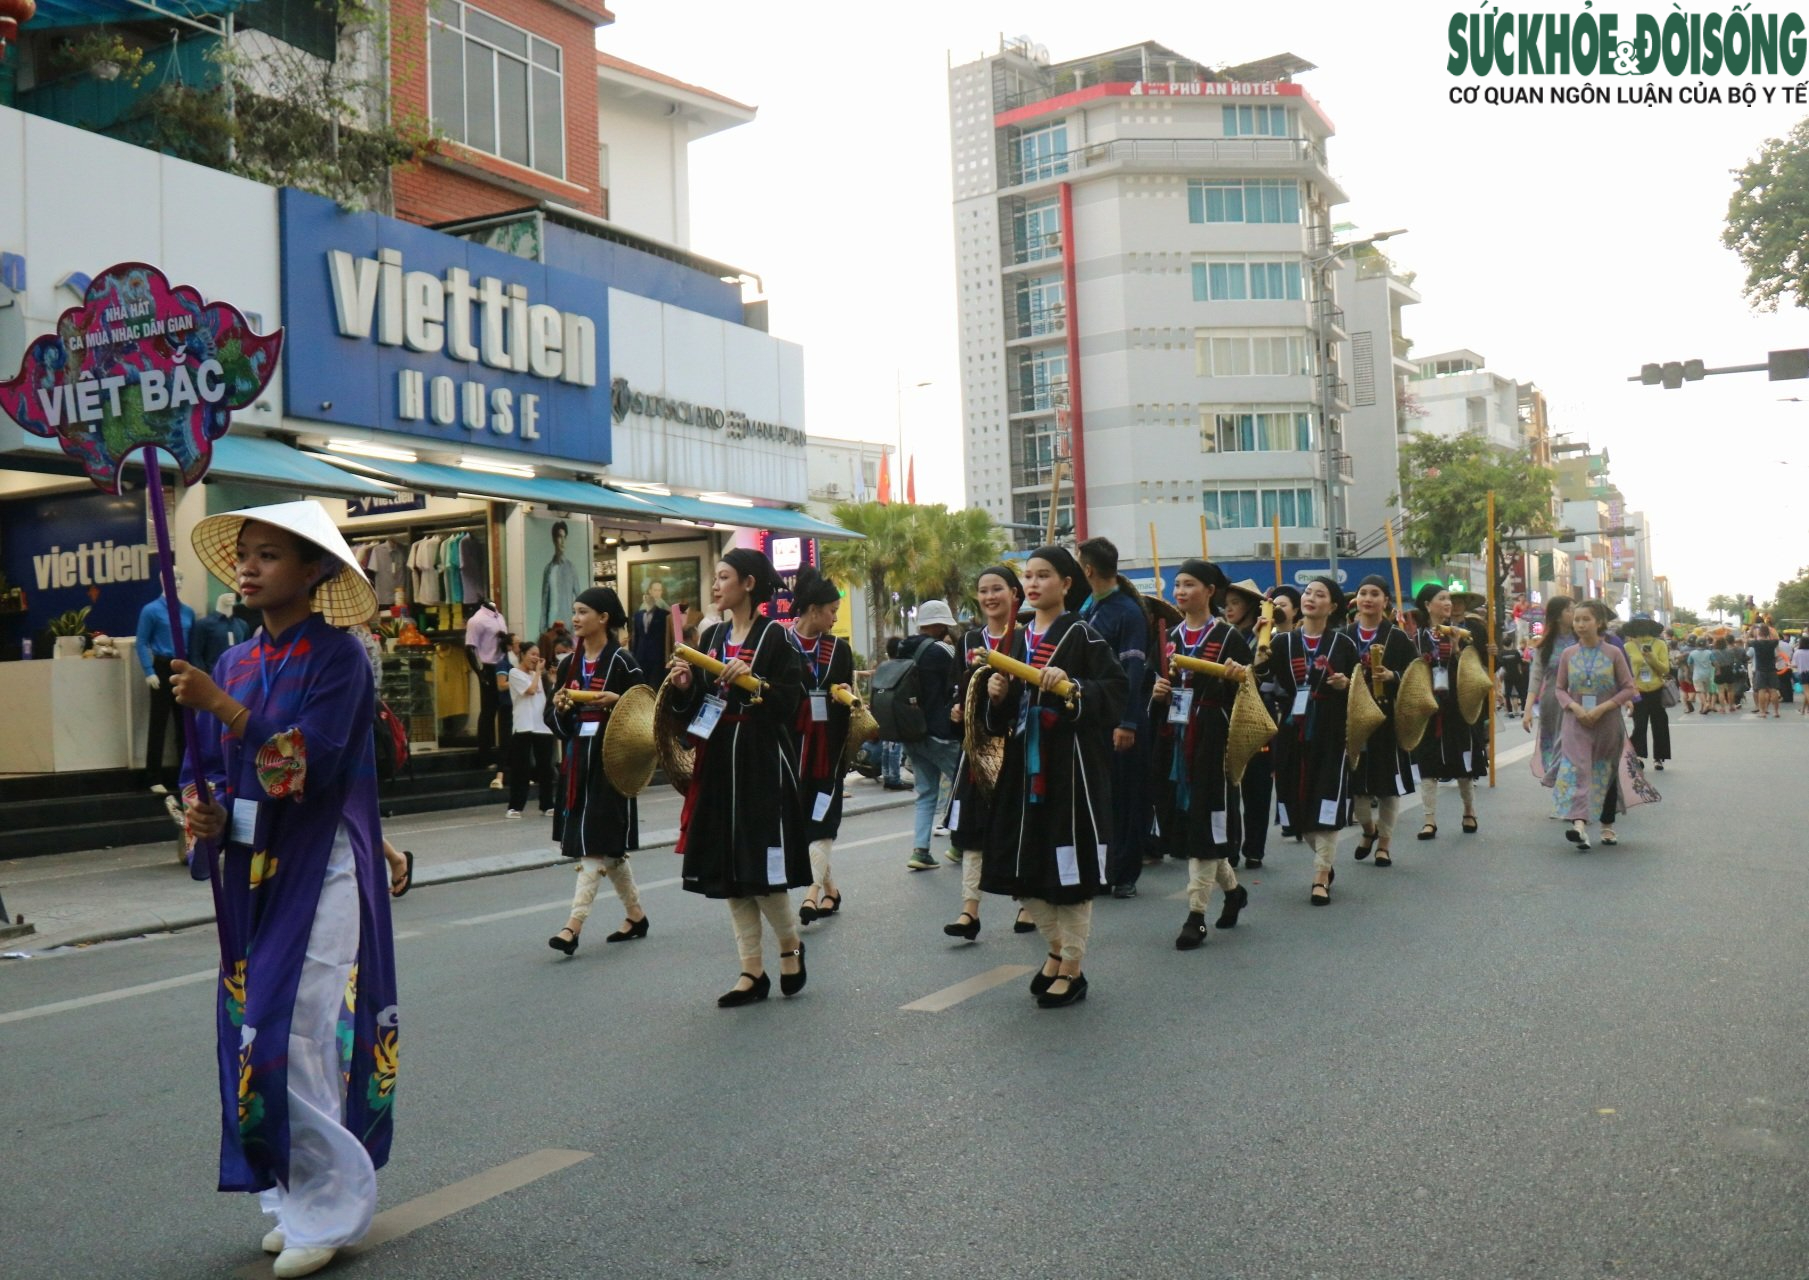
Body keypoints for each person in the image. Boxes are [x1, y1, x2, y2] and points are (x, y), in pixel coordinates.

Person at [169, 501, 397, 1279]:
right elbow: (210, 771)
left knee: (296, 1029)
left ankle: (324, 1206)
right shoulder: (229, 662)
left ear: (314, 572)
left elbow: (310, 767)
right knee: (252, 1034)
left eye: (270, 555)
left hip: (323, 862)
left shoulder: (341, 660)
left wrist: (223, 710)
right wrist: (199, 809)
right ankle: (295, 1197)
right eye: (245, 553)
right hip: (249, 870)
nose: (250, 566)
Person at [978, 545, 1126, 1007]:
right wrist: (997, 694)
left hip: (1070, 767)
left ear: (1067, 583)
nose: (1035, 583)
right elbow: (996, 718)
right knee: (1021, 867)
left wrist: (1074, 687)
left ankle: (1073, 968)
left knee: (1069, 867)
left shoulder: (1084, 634)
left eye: (1045, 575)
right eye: (1029, 576)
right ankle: (1057, 949)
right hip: (1023, 767)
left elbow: (1117, 690)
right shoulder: (1014, 640)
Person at [666, 550, 810, 1007]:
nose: (715, 584)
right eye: (715, 577)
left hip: (760, 762)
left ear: (748, 583)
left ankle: (790, 946)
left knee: (761, 869)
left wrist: (756, 683)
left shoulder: (778, 639)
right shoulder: (713, 638)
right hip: (718, 762)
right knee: (729, 870)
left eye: (723, 577)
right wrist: (688, 686)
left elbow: (793, 704)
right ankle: (751, 970)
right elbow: (703, 706)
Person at [1148, 559, 1252, 949]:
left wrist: (1237, 679)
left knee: (1207, 819)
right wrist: (1157, 693)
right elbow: (1161, 688)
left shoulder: (1228, 638)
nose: (1180, 592)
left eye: (1189, 584)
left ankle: (1195, 915)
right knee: (1194, 828)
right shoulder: (1168, 636)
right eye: (1177, 585)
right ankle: (1234, 891)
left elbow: (1249, 697)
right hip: (1176, 738)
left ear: (1211, 591)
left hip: (1211, 739)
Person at [544, 589, 646, 957]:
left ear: (603, 618)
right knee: (607, 846)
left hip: (611, 763)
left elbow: (645, 709)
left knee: (593, 845)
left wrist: (617, 702)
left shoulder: (623, 662)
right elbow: (553, 718)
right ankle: (636, 915)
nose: (575, 618)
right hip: (577, 762)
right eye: (574, 611)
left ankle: (573, 926)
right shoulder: (570, 663)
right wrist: (561, 706)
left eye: (583, 612)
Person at [942, 564, 1030, 941]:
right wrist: (957, 709)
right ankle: (969, 910)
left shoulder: (1028, 639)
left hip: (1015, 745)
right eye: (983, 590)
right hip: (976, 746)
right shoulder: (969, 639)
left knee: (1019, 824)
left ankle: (1027, 901)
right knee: (973, 829)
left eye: (998, 589)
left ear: (1015, 594)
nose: (990, 597)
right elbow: (958, 687)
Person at [1270, 577, 1359, 904]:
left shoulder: (1345, 645)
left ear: (1332, 606)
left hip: (1330, 730)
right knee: (1297, 803)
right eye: (1307, 592)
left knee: (1327, 798)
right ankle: (1324, 859)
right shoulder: (1281, 643)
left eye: (1319, 594)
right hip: (1292, 731)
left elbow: (1358, 692)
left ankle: (1320, 875)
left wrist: (1344, 683)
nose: (1310, 598)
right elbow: (1263, 681)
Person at [1075, 537, 1155, 898]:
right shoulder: (1085, 608)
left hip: (1121, 721)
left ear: (1088, 569)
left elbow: (1134, 672)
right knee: (1100, 797)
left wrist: (1128, 722)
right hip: (1090, 721)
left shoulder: (1127, 611)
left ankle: (1125, 872)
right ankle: (1101, 868)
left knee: (1126, 798)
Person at [788, 567, 856, 925]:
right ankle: (831, 889)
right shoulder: (780, 642)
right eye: (831, 610)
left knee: (823, 817)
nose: (834, 617)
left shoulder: (839, 649)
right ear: (813, 610)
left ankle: (812, 892)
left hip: (828, 748)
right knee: (801, 820)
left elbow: (851, 700)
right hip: (792, 748)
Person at [1343, 575, 1420, 868]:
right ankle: (1368, 829)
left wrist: (1393, 676)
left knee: (1388, 786)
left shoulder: (1397, 637)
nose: (1368, 598)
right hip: (1355, 720)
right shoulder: (1344, 634)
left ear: (1385, 601)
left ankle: (1384, 843)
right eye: (1363, 593)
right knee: (1358, 786)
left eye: (1375, 593)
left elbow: (1415, 677)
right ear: (1356, 600)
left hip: (1388, 719)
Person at [1551, 599, 1639, 849]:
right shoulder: (1569, 654)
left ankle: (1607, 825)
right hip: (1576, 722)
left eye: (1585, 619)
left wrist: (1603, 707)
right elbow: (1559, 688)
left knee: (1605, 772)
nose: (1579, 624)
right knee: (1577, 769)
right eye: (1576, 619)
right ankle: (1578, 825)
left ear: (1599, 622)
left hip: (1607, 722)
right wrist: (1575, 707)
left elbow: (1628, 687)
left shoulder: (1613, 653)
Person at [1411, 584, 1485, 839]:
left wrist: (1456, 649)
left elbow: (1473, 669)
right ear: (1427, 605)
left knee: (1462, 759)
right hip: (1428, 705)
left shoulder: (1463, 634)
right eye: (1441, 599)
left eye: (1448, 599)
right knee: (1428, 761)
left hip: (1456, 705)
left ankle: (1469, 811)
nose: (1447, 603)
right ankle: (1429, 819)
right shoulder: (1416, 637)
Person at [1221, 578, 1278, 868]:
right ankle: (1229, 845)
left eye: (1236, 604)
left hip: (1257, 715)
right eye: (1227, 603)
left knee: (1256, 785)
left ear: (1250, 608)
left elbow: (1264, 675)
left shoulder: (1267, 636)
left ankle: (1254, 847)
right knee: (1228, 783)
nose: (1229, 609)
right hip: (1227, 715)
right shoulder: (1220, 634)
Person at [902, 601, 962, 872]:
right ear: (940, 625)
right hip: (940, 732)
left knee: (925, 793)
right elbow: (963, 676)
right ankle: (960, 843)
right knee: (964, 786)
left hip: (911, 732)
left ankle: (921, 850)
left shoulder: (904, 648)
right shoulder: (941, 650)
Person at [137, 582, 196, 794]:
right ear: (162, 579)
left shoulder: (188, 612)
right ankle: (153, 776)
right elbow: (141, 641)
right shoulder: (151, 610)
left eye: (181, 577)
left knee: (185, 723)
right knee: (158, 722)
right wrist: (149, 670)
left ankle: (187, 774)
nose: (178, 581)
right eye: (173, 576)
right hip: (161, 666)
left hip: (182, 666)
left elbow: (193, 642)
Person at [1524, 597, 1575, 785]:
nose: (1574, 614)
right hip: (1552, 703)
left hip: (1578, 701)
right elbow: (1536, 677)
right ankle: (1562, 790)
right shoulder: (1545, 645)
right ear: (1558, 615)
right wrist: (1528, 710)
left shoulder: (1582, 640)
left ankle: (1573, 794)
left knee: (1574, 746)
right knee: (1554, 746)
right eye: (1570, 610)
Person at [506, 639, 556, 818]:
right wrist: (538, 674)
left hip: (542, 726)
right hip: (523, 726)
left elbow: (547, 697)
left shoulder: (538, 675)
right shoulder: (514, 673)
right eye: (532, 654)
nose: (535, 658)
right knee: (521, 768)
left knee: (545, 768)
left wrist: (551, 679)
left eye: (537, 655)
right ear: (523, 655)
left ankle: (547, 804)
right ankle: (515, 806)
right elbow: (531, 691)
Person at [1623, 615, 1672, 770]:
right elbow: (1625, 672)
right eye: (1638, 625)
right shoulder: (1628, 647)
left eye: (1645, 625)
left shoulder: (1659, 644)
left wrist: (1651, 658)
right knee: (1640, 725)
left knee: (1660, 724)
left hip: (1657, 690)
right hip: (1638, 692)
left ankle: (1659, 758)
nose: (1642, 629)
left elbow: (1665, 669)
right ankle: (1637, 756)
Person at [538, 520, 580, 639]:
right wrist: (542, 629)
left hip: (567, 627)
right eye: (559, 537)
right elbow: (544, 601)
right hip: (550, 627)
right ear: (553, 539)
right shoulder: (548, 569)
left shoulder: (571, 568)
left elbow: (579, 599)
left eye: (564, 537)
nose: (562, 541)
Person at [1749, 617, 1782, 719]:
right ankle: (1776, 711)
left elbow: (1746, 638)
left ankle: (1762, 711)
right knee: (1773, 691)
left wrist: (1751, 629)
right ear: (1768, 633)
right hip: (1771, 669)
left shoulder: (1756, 643)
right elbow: (1776, 638)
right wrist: (1770, 630)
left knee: (1761, 691)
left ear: (1759, 633)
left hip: (1760, 669)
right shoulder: (1773, 643)